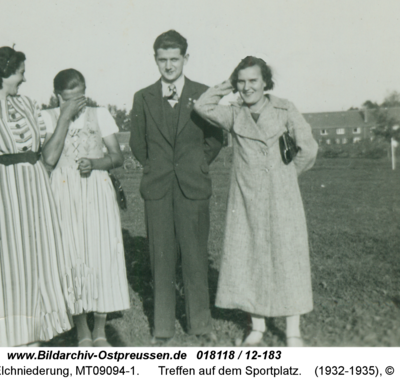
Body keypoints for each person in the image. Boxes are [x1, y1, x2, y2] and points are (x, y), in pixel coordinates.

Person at [193, 56, 318, 347]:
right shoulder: (234, 113)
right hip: (246, 197)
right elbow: (202, 106)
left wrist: (286, 176)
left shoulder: (285, 109)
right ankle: (258, 327)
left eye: (253, 81)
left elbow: (309, 149)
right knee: (249, 256)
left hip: (282, 197)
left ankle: (293, 331)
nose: (247, 87)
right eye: (242, 81)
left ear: (265, 82)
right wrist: (226, 84)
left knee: (288, 258)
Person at [0, 47, 83, 347]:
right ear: (5, 72)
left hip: (36, 189)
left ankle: (38, 334)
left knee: (41, 260)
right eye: (21, 71)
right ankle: (15, 339)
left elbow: (47, 158)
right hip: (4, 193)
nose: (24, 78)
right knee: (11, 263)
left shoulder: (28, 105)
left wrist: (64, 118)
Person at [129, 30, 224, 344]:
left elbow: (215, 140)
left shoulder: (204, 93)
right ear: (155, 59)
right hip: (157, 188)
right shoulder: (143, 97)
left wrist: (196, 164)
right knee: (161, 256)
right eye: (162, 59)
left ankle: (200, 323)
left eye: (174, 59)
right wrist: (156, 167)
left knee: (195, 255)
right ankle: (163, 327)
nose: (168, 66)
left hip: (193, 187)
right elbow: (138, 144)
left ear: (186, 58)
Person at [40, 69, 130, 347]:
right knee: (72, 255)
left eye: (80, 97)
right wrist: (64, 117)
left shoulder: (100, 114)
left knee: (101, 255)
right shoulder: (47, 118)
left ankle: (100, 328)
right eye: (69, 99)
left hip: (96, 191)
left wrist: (95, 163)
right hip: (63, 193)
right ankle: (81, 328)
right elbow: (46, 160)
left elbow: (117, 157)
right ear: (58, 97)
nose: (76, 104)